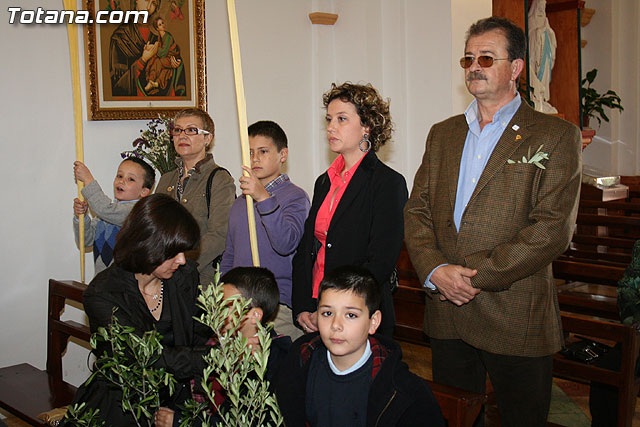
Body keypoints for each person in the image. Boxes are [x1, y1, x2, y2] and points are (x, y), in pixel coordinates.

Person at [403, 17, 582, 426]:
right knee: (456, 418)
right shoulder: (443, 134)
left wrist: (471, 277)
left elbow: (552, 229)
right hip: (447, 310)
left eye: (486, 57)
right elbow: (417, 211)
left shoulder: (553, 135)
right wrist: (435, 269)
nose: (474, 67)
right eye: (468, 58)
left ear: (516, 68)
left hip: (514, 309)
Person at [65, 194, 210, 426]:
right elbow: (142, 360)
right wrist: (212, 358)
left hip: (176, 401)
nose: (182, 260)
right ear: (148, 244)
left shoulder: (184, 277)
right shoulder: (103, 293)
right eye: (174, 252)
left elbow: (201, 332)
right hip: (122, 403)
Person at [293, 82, 408, 337]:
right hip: (317, 306)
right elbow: (306, 249)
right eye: (329, 119)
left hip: (358, 312)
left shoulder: (387, 182)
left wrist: (338, 308)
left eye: (342, 119)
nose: (331, 127)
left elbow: (381, 260)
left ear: (366, 126)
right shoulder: (324, 181)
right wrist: (302, 306)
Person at [276, 266, 444, 426]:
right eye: (327, 313)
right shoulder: (300, 363)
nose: (336, 325)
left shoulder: (403, 391)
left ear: (374, 322)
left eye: (350, 315)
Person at [155, 266, 292, 427]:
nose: (217, 311)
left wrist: (180, 422)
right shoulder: (226, 344)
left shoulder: (273, 360)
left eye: (226, 306)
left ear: (255, 315)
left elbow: (239, 421)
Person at [220, 120, 310, 340]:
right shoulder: (240, 203)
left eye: (263, 151)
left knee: (276, 366)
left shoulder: (296, 197)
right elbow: (230, 255)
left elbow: (285, 243)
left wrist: (263, 198)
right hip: (238, 305)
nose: (255, 158)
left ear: (283, 154)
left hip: (276, 304)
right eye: (249, 152)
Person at [156, 108, 236, 286]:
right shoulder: (165, 179)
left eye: (191, 130)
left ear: (208, 138)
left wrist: (181, 265)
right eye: (177, 130)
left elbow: (219, 235)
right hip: (161, 276)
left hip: (199, 278)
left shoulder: (220, 179)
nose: (182, 136)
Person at [73, 157, 155, 275]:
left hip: (125, 285)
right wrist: (81, 217)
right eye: (119, 176)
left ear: (144, 191)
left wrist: (88, 179)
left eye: (130, 179)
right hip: (103, 282)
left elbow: (104, 209)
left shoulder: (137, 212)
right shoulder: (108, 214)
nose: (122, 181)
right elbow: (86, 241)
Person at [109, 0, 186, 97]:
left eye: (153, 3)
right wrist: (143, 60)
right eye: (146, 0)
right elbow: (117, 86)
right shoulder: (120, 37)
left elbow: (173, 60)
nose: (148, 7)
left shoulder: (159, 35)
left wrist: (175, 64)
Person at [144, 16, 182, 94]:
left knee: (158, 62)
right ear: (157, 28)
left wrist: (155, 48)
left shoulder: (168, 37)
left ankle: (151, 80)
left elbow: (163, 53)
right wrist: (150, 48)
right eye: (160, 24)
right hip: (166, 59)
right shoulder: (159, 37)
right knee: (160, 66)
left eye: (162, 23)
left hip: (171, 58)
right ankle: (155, 83)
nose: (163, 25)